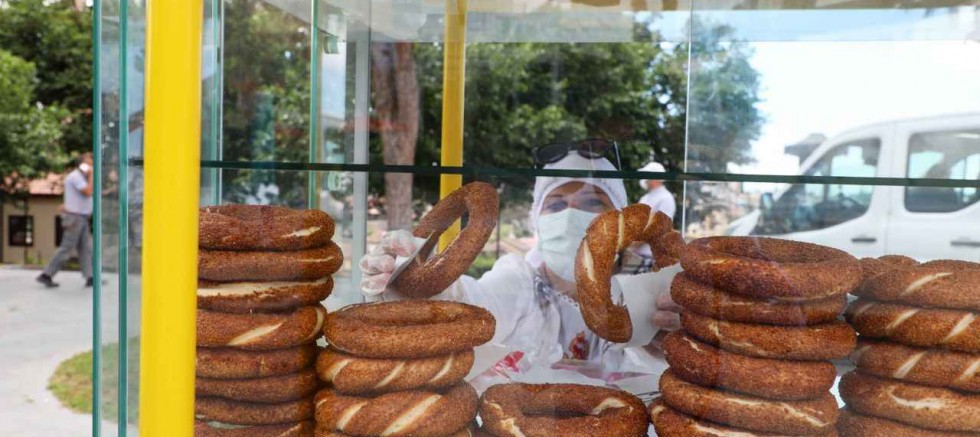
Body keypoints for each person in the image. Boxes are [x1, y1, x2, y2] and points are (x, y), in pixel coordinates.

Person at [359, 151, 683, 386]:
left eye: (592, 202)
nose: (570, 216)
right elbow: (476, 303)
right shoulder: (519, 281)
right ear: (538, 219)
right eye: (556, 204)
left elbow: (654, 374)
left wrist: (659, 343)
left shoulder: (637, 301)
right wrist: (419, 286)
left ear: (620, 222)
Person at [37, 153, 94, 288]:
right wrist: (92, 175)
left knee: (86, 249)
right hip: (75, 218)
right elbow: (87, 192)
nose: (92, 166)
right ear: (83, 165)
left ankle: (90, 277)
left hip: (81, 218)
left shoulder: (81, 178)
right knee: (66, 248)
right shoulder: (76, 177)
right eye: (90, 163)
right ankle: (46, 275)